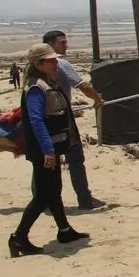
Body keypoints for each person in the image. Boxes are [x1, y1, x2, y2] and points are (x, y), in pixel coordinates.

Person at [8, 43, 90, 257]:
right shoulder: (36, 88)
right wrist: (48, 151)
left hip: (50, 147)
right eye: (51, 61)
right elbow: (36, 121)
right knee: (43, 195)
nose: (56, 63)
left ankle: (64, 230)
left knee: (54, 190)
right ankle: (18, 237)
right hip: (42, 150)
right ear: (38, 64)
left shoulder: (47, 82)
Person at [39, 31, 107, 210]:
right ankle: (85, 200)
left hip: (42, 120)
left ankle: (42, 201)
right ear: (50, 45)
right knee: (75, 159)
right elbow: (83, 86)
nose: (66, 46)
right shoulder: (61, 63)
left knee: (45, 162)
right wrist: (97, 99)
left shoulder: (34, 67)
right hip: (62, 119)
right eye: (62, 42)